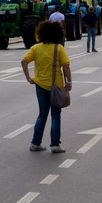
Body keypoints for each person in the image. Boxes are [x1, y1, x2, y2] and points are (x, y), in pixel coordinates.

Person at [21, 20, 72, 153]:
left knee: (42, 114)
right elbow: (66, 66)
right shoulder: (59, 48)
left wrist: (28, 78)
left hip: (40, 85)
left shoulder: (36, 48)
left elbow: (23, 61)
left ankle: (35, 143)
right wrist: (69, 82)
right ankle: (55, 144)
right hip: (56, 86)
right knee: (55, 115)